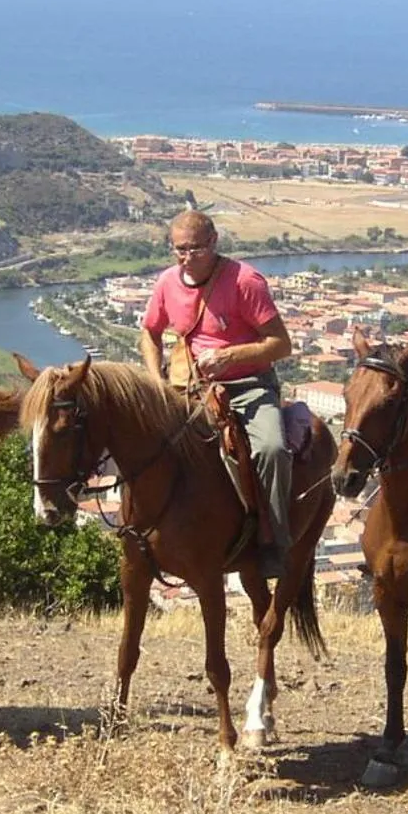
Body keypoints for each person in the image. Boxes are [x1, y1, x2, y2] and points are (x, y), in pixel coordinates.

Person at [139, 210, 294, 578]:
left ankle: (274, 540)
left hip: (248, 386)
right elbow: (150, 332)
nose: (186, 258)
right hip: (189, 386)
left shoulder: (245, 281)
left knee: (271, 449)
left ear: (213, 243)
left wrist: (230, 357)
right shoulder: (166, 283)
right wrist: (155, 379)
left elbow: (281, 344)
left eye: (194, 249)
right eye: (179, 250)